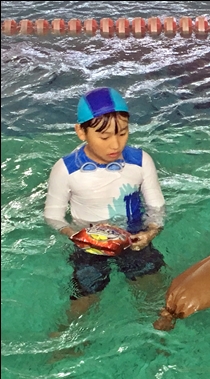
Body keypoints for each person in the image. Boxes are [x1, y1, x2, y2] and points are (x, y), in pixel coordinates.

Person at [44, 87, 166, 334]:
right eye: (104, 136)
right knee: (84, 300)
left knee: (154, 295)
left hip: (133, 239)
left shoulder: (141, 161)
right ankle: (66, 341)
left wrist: (150, 233)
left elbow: (157, 207)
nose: (116, 144)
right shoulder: (66, 170)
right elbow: (53, 216)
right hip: (88, 245)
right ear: (81, 132)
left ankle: (159, 337)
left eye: (123, 133)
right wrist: (75, 235)